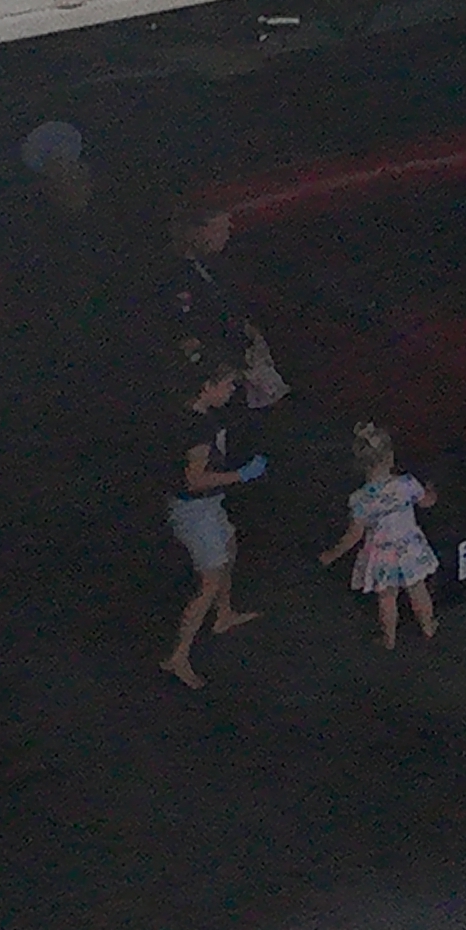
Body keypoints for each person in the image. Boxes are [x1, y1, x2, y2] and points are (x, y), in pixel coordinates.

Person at [161, 338, 268, 689]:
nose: (233, 390)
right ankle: (178, 656)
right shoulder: (198, 428)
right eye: (228, 384)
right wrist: (241, 475)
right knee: (209, 581)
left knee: (229, 547)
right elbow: (194, 480)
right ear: (207, 386)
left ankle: (223, 614)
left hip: (208, 505)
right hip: (194, 511)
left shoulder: (194, 412)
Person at [318, 422, 441, 649]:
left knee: (386, 598)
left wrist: (331, 554)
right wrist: (432, 490)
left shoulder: (360, 499)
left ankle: (388, 638)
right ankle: (428, 626)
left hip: (381, 556)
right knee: (418, 589)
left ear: (360, 464)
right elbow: (427, 502)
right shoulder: (406, 483)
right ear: (390, 458)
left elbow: (354, 535)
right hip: (410, 550)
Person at [158, 203, 287, 411]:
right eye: (219, 230)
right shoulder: (172, 277)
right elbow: (182, 334)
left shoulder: (213, 265)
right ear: (195, 232)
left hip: (242, 364)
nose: (226, 236)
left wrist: (250, 334)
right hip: (214, 380)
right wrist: (220, 367)